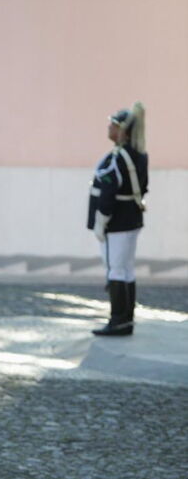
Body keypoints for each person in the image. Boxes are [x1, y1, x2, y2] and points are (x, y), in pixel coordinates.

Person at [87, 102, 148, 336]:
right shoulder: (139, 154)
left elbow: (108, 193)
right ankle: (126, 319)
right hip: (131, 220)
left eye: (112, 124)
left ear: (123, 130)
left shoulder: (118, 157)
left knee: (116, 270)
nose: (109, 128)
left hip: (117, 223)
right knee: (126, 269)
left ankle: (118, 321)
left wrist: (101, 221)